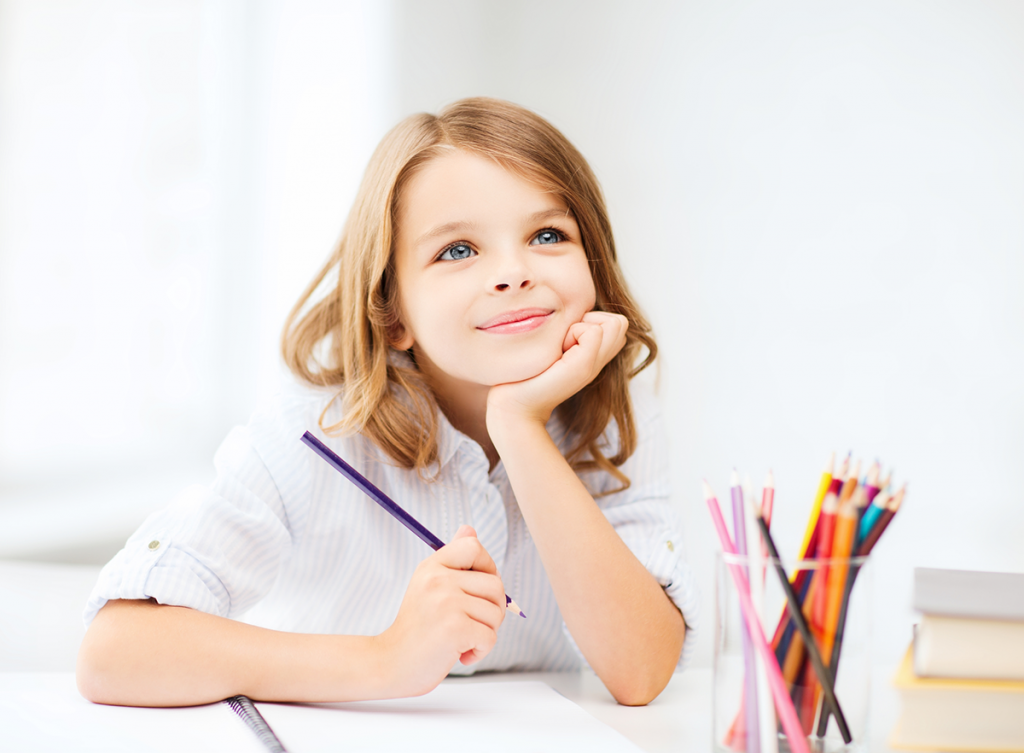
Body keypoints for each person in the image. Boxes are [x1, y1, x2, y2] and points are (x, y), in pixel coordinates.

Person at [76, 97, 699, 708]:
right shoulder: (311, 434)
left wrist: (520, 426)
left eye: (547, 234)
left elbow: (640, 672)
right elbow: (113, 653)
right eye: (457, 250)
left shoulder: (620, 420)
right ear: (392, 313)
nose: (513, 272)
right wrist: (385, 657)